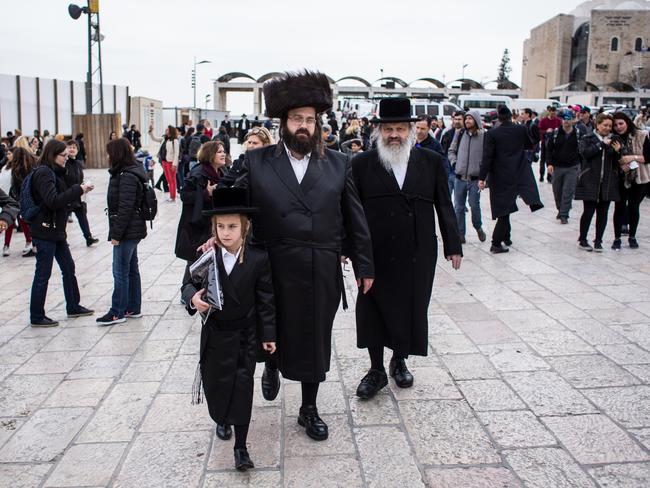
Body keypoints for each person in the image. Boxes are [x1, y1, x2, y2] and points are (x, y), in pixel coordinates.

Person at [229, 71, 373, 441]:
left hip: (318, 268)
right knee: (270, 328)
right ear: (283, 123)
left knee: (313, 339)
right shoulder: (257, 162)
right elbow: (233, 206)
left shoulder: (339, 163)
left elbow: (354, 215)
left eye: (310, 119)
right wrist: (214, 234)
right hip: (271, 266)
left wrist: (364, 264)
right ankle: (272, 363)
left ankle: (309, 408)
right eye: (297, 119)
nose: (305, 125)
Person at [350, 98, 462, 399]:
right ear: (379, 131)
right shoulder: (360, 164)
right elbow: (350, 212)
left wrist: (454, 244)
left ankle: (399, 360)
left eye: (400, 128)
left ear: (412, 130)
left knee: (411, 306)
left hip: (417, 250)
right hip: (375, 253)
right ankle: (375, 370)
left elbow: (444, 204)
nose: (394, 134)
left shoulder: (431, 162)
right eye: (388, 129)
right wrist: (347, 250)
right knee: (372, 310)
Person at [183, 187, 276, 471]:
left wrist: (269, 335)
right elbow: (188, 284)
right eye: (220, 226)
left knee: (242, 386)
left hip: (244, 337)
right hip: (214, 335)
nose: (226, 232)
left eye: (232, 226)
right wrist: (193, 298)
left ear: (245, 227)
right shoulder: (205, 255)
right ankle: (221, 417)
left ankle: (241, 447)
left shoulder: (258, 259)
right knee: (216, 383)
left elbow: (266, 300)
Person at [29, 140, 95, 327]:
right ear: (52, 155)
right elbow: (53, 201)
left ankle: (73, 305)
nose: (67, 158)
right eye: (63, 156)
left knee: (68, 268)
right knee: (43, 274)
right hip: (44, 230)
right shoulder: (44, 173)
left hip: (56, 229)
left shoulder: (56, 172)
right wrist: (78, 190)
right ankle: (36, 315)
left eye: (68, 155)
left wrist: (78, 190)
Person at [96, 138, 148, 325]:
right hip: (133, 228)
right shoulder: (131, 171)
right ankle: (133, 307)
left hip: (127, 230)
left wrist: (116, 235)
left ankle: (117, 311)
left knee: (120, 271)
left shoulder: (126, 176)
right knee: (131, 269)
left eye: (110, 152)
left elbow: (124, 208)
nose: (108, 156)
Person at [479, 106, 543, 254]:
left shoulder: (493, 133)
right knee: (507, 208)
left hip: (500, 176)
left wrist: (482, 178)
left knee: (504, 208)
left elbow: (487, 157)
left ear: (499, 118)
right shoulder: (520, 130)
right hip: (518, 173)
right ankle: (501, 239)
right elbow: (529, 144)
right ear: (510, 117)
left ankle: (498, 241)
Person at [575, 113, 622, 252]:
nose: (607, 128)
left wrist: (617, 151)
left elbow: (617, 160)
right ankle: (583, 239)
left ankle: (598, 241)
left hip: (607, 182)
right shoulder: (587, 138)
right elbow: (585, 153)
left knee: (603, 212)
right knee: (588, 211)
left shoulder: (614, 139)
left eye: (609, 126)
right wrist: (601, 144)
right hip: (590, 179)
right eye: (605, 125)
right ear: (597, 124)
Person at [175, 141, 226, 263]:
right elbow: (184, 195)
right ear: (210, 154)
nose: (224, 154)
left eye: (224, 151)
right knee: (196, 267)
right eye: (219, 152)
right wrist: (205, 193)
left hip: (213, 226)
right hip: (197, 229)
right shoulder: (197, 173)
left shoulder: (222, 172)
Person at [611, 112, 650, 250]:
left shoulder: (641, 135)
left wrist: (632, 158)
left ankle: (632, 236)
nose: (618, 127)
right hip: (620, 177)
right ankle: (617, 238)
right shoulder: (613, 138)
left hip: (639, 177)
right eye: (615, 125)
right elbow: (612, 159)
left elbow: (648, 157)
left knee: (634, 207)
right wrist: (620, 159)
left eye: (621, 123)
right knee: (619, 207)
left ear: (627, 122)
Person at [448, 110, 487, 243]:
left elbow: (488, 157)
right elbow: (451, 150)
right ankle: (460, 234)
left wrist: (484, 174)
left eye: (470, 119)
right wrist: (454, 163)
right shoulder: (459, 134)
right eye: (466, 119)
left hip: (475, 179)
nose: (467, 121)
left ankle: (478, 227)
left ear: (476, 120)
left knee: (473, 205)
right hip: (459, 178)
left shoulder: (484, 136)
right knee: (458, 207)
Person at [546, 110, 581, 225]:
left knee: (568, 191)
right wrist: (549, 164)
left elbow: (582, 150)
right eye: (565, 119)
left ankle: (564, 214)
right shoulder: (555, 133)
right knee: (557, 191)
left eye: (569, 119)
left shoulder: (578, 133)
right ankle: (560, 209)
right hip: (557, 166)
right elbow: (549, 150)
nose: (566, 121)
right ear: (562, 120)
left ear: (572, 120)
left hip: (572, 167)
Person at [1, 147, 36, 256]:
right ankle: (6, 245)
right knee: (10, 221)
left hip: (17, 199)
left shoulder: (21, 169)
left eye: (10, 153)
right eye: (7, 153)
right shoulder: (6, 167)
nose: (8, 155)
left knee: (23, 221)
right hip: (10, 197)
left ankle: (30, 242)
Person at [64, 140, 99, 246]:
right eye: (69, 147)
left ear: (77, 150)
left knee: (83, 217)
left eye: (74, 147)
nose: (72, 149)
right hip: (68, 196)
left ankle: (88, 237)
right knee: (63, 219)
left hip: (78, 196)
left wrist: (85, 186)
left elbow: (79, 179)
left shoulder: (78, 164)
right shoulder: (64, 163)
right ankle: (62, 240)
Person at [149, 126, 180, 202]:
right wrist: (151, 131)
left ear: (170, 131)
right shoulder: (163, 139)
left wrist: (174, 164)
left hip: (171, 162)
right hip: (164, 161)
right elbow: (154, 138)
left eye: (167, 130)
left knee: (172, 180)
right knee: (168, 180)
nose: (165, 130)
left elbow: (177, 153)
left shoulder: (175, 141)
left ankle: (173, 197)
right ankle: (171, 195)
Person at [441, 111, 465, 196]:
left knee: (459, 198)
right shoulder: (447, 134)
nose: (457, 121)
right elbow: (443, 151)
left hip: (461, 171)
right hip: (448, 169)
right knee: (447, 195)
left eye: (459, 119)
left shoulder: (467, 134)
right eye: (455, 119)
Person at [538, 106, 562, 183]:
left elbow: (561, 130)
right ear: (549, 112)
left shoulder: (558, 121)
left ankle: (549, 175)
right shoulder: (543, 120)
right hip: (544, 142)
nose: (553, 115)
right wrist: (546, 131)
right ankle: (541, 174)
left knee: (551, 159)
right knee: (543, 159)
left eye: (554, 113)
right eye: (552, 113)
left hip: (554, 143)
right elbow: (539, 130)